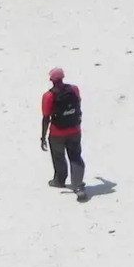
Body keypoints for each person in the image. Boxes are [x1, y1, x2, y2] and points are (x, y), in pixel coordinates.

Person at [41, 67, 87, 198]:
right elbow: (78, 104)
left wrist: (43, 137)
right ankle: (78, 186)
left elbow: (46, 117)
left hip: (57, 133)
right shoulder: (74, 89)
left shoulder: (48, 96)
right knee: (76, 157)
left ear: (51, 80)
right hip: (74, 130)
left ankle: (59, 180)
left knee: (58, 157)